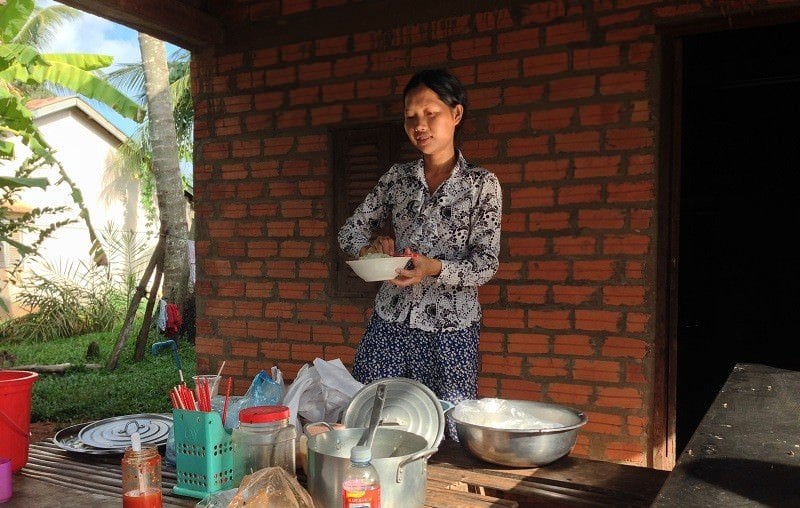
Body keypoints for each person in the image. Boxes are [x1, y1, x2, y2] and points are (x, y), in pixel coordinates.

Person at [338, 68, 502, 439]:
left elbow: (485, 264)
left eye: (431, 113)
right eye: (411, 116)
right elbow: (350, 230)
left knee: (449, 429)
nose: (420, 125)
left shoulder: (481, 184)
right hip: (390, 321)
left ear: (455, 114)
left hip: (450, 331)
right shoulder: (397, 178)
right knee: (369, 419)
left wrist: (434, 268)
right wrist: (372, 250)